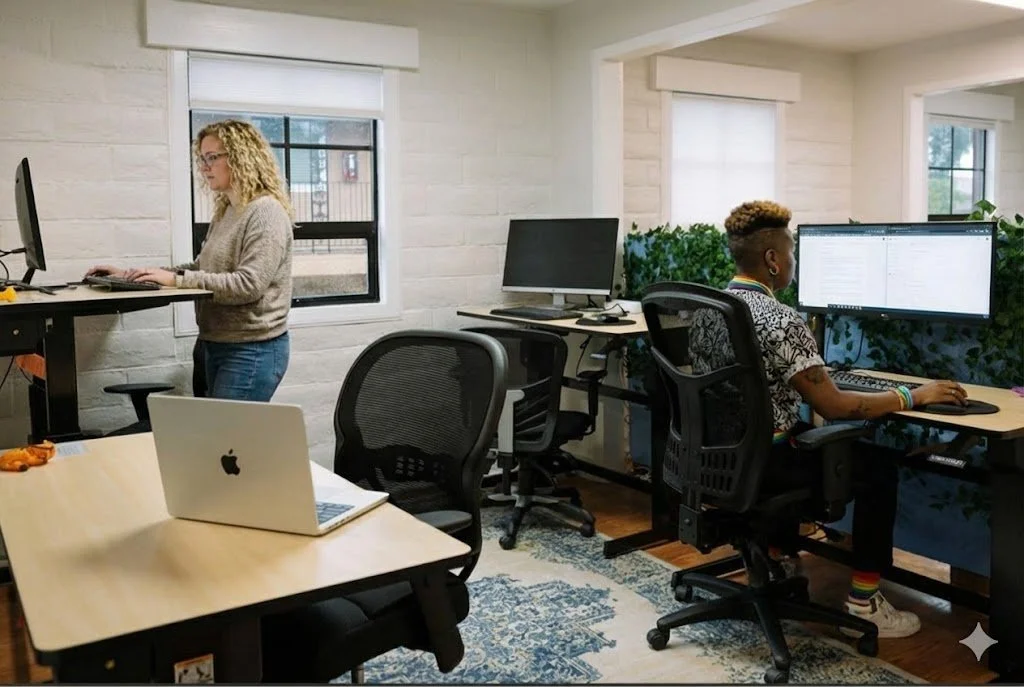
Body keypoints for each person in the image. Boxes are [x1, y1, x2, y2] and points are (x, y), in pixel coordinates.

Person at [689, 199, 969, 639]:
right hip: (766, 467)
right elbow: (835, 405)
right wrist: (913, 395)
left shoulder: (708, 308)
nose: (794, 261)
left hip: (717, 459)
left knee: (799, 434)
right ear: (772, 260)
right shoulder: (781, 319)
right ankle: (864, 600)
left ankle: (779, 555)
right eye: (792, 251)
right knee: (877, 467)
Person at [87, 119, 294, 402]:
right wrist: (133, 274)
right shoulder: (227, 211)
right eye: (202, 159)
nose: (204, 166)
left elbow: (249, 285)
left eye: (212, 157)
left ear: (240, 157)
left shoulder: (266, 213)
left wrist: (175, 280)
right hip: (215, 341)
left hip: (252, 349)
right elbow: (201, 269)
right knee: (216, 440)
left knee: (228, 441)